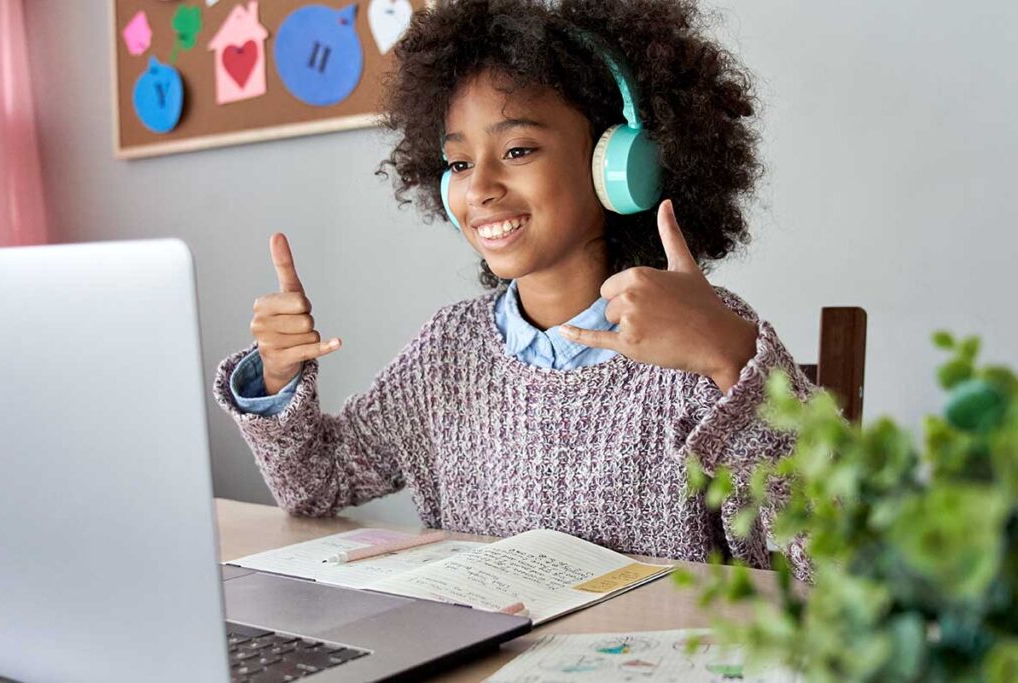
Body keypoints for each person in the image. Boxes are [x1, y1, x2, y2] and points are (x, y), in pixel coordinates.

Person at [213, 0, 815, 580]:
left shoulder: (702, 336)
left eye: (518, 150)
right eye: (457, 164)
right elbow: (313, 485)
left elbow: (833, 560)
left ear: (618, 165)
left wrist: (732, 356)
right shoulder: (446, 351)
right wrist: (274, 376)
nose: (480, 188)